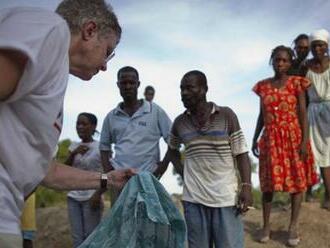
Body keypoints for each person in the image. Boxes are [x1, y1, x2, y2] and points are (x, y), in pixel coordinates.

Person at [0, 1, 135, 246]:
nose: (105, 66)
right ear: (89, 30)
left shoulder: (52, 82)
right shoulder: (52, 30)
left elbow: (47, 172)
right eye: (107, 51)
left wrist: (109, 179)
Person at [167, 70, 252, 248]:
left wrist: (246, 186)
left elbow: (241, 153)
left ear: (204, 89)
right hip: (193, 200)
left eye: (189, 88)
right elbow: (172, 150)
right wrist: (184, 173)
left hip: (226, 198)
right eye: (181, 89)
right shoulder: (179, 123)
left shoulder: (226, 115)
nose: (184, 93)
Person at [252, 45, 317, 246]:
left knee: (296, 183)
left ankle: (293, 226)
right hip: (270, 139)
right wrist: (255, 137)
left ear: (290, 63)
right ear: (272, 61)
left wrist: (305, 141)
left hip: (293, 138)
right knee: (268, 184)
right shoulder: (263, 86)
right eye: (277, 60)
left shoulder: (297, 83)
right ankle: (266, 225)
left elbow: (303, 115)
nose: (280, 64)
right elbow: (262, 115)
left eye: (285, 60)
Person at [99, 66, 172, 203]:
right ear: (118, 85)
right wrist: (110, 173)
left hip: (148, 181)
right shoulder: (111, 116)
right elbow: (104, 148)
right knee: (121, 223)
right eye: (123, 83)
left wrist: (161, 169)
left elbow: (173, 141)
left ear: (138, 84)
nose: (127, 86)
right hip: (120, 183)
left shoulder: (155, 111)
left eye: (132, 83)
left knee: (147, 222)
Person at [65, 113, 104, 247]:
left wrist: (98, 194)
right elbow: (65, 170)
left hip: (91, 197)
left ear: (93, 127)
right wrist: (75, 152)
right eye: (78, 124)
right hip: (73, 197)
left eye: (84, 124)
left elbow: (107, 173)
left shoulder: (100, 147)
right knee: (77, 238)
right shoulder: (73, 146)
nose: (80, 127)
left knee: (91, 237)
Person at [305, 29, 330, 210]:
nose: (318, 48)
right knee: (319, 154)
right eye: (314, 46)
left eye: (321, 45)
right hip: (313, 113)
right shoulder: (306, 66)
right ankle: (323, 195)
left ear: (327, 46)